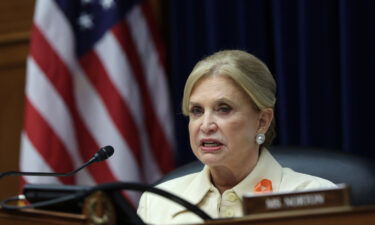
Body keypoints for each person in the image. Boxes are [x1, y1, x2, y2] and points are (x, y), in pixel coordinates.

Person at [137, 50, 335, 224]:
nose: (206, 125)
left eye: (224, 109)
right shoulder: (158, 201)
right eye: (197, 111)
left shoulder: (315, 196)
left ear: (262, 121)